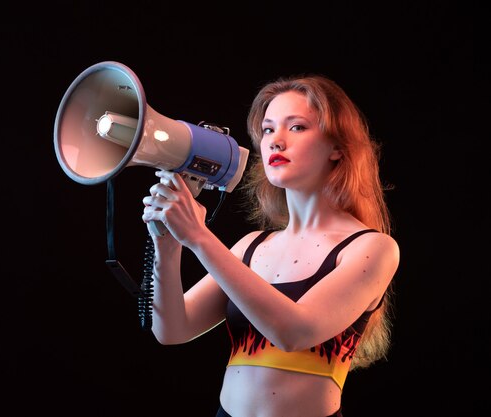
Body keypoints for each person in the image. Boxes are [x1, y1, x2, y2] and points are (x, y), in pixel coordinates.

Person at [141, 74, 400, 417]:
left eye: (297, 127)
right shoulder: (251, 246)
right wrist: (168, 243)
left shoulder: (372, 249)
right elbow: (172, 329)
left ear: (338, 147)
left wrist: (198, 237)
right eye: (267, 129)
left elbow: (295, 332)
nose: (276, 141)